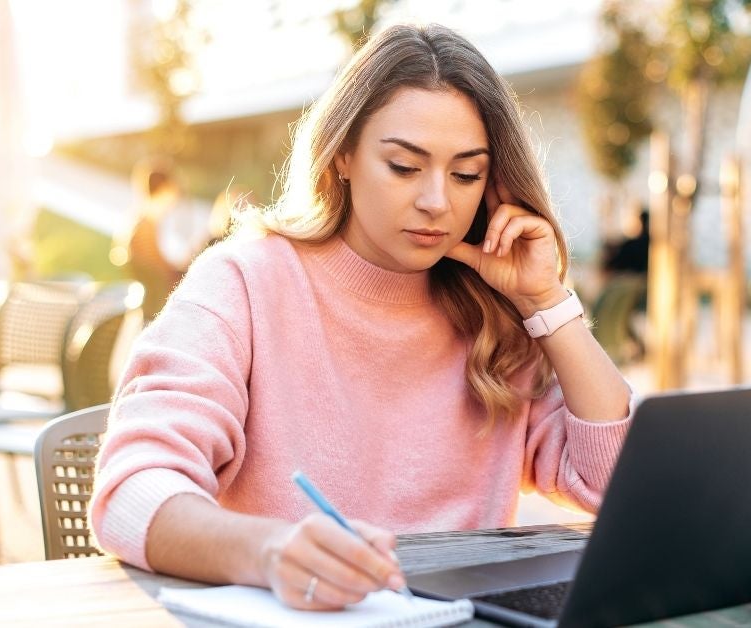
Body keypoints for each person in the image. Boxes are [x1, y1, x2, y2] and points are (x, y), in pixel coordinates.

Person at [90, 23, 633, 612]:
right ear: (343, 154)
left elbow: (613, 486)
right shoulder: (244, 282)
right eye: (404, 166)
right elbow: (132, 490)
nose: (436, 201)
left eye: (466, 174)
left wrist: (547, 303)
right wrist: (271, 551)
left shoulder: (495, 310)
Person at [111, 159, 210, 321]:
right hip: (155, 308)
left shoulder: (140, 221)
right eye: (173, 192)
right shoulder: (144, 226)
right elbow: (161, 272)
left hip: (151, 301)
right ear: (164, 190)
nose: (174, 199)